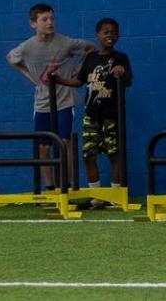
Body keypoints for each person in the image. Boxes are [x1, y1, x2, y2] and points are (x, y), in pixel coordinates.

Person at [6, 3, 95, 190]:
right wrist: (30, 76)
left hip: (64, 100)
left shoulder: (65, 43)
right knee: (43, 147)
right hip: (42, 103)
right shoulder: (27, 47)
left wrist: (79, 69)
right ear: (33, 23)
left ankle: (68, 185)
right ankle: (50, 187)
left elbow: (90, 47)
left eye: (52, 18)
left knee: (65, 143)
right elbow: (10, 58)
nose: (50, 22)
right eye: (44, 19)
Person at [52, 18, 132, 208]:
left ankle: (115, 196)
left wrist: (122, 73)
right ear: (98, 35)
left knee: (114, 155)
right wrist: (60, 80)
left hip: (112, 115)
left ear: (118, 36)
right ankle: (96, 195)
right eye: (105, 32)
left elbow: (129, 82)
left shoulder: (121, 58)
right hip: (91, 114)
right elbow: (79, 82)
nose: (110, 36)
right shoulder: (90, 58)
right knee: (88, 155)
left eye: (113, 33)